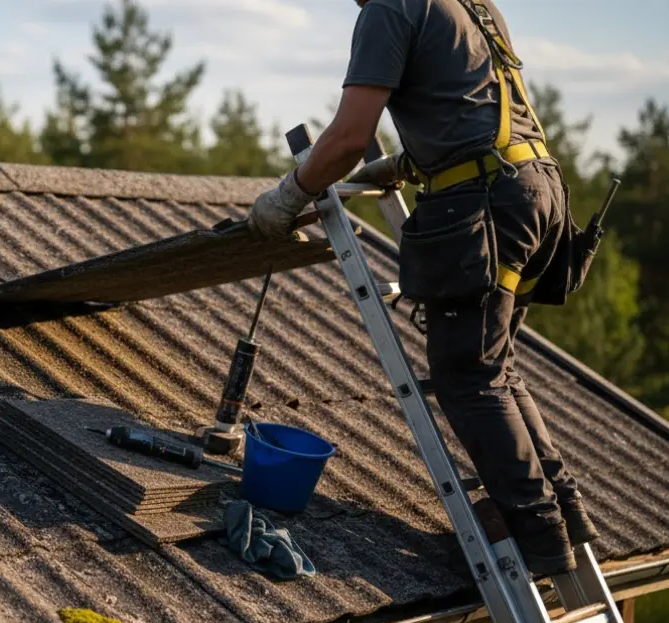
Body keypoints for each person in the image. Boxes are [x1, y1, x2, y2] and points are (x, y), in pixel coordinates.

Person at [248, 0, 599, 577]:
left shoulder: (390, 7)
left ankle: (537, 539)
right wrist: (410, 164)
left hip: (489, 200)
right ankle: (564, 511)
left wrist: (289, 195)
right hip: (537, 191)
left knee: (468, 376)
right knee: (495, 369)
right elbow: (475, 109)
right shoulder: (472, 4)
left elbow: (348, 137)